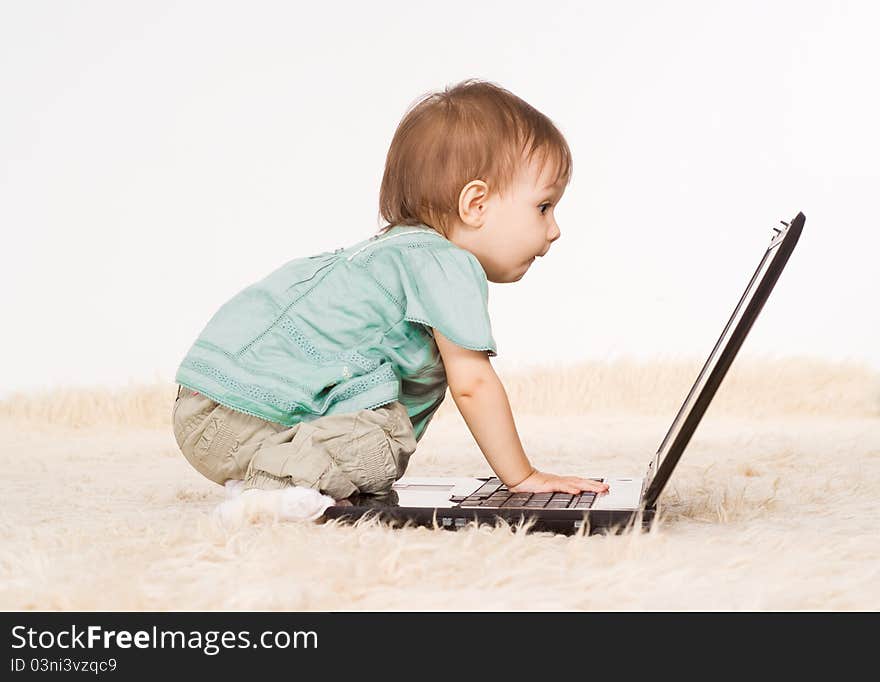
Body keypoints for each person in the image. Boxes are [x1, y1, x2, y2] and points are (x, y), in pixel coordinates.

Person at [171, 79, 609, 518]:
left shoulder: (398, 253)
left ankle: (278, 473)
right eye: (543, 207)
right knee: (384, 436)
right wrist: (523, 478)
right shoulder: (446, 263)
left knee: (374, 423)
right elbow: (473, 384)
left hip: (211, 402)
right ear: (475, 204)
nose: (554, 230)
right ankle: (272, 489)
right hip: (242, 415)